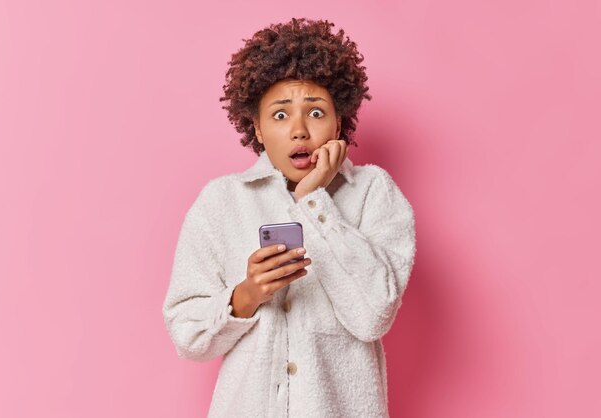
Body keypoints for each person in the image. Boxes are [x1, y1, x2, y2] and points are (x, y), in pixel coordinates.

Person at [162, 17, 417, 418]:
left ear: (339, 121)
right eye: (280, 116)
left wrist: (313, 200)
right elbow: (187, 334)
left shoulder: (372, 192)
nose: (299, 130)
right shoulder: (221, 201)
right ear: (257, 128)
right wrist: (247, 295)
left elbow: (373, 316)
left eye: (316, 113)